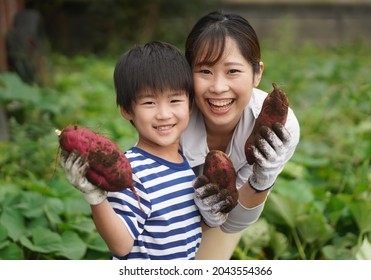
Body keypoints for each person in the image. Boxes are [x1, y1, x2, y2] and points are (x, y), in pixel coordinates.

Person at [60, 41, 203, 260]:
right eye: (149, 103)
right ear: (127, 110)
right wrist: (96, 198)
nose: (164, 114)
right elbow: (121, 245)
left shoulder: (186, 164)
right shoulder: (130, 171)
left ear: (190, 104)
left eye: (175, 100)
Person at [180, 10, 301, 259]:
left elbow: (233, 223)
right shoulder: (171, 119)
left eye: (233, 71)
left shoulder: (279, 126)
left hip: (233, 215)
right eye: (204, 71)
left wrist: (262, 179)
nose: (218, 87)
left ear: (257, 73)